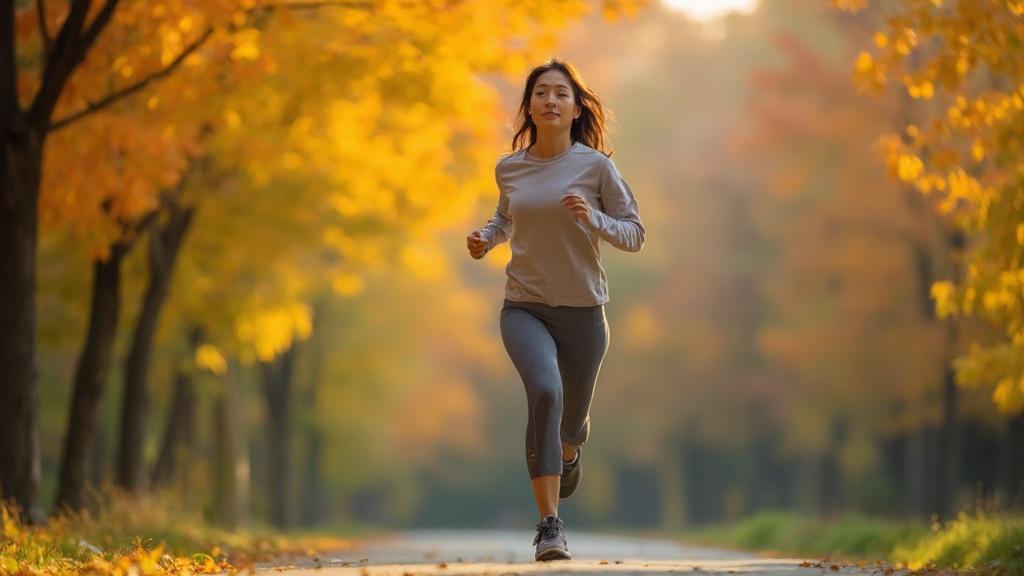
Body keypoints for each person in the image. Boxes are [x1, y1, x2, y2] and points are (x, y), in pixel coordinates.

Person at [465, 59, 646, 562]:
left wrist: (595, 220)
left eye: (560, 93)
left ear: (574, 107)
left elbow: (635, 233)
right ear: (529, 106)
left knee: (572, 424)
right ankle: (549, 526)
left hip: (585, 312)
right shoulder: (510, 167)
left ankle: (569, 451)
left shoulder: (596, 167)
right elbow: (505, 216)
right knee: (546, 391)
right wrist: (487, 238)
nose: (550, 100)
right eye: (541, 92)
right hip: (525, 306)